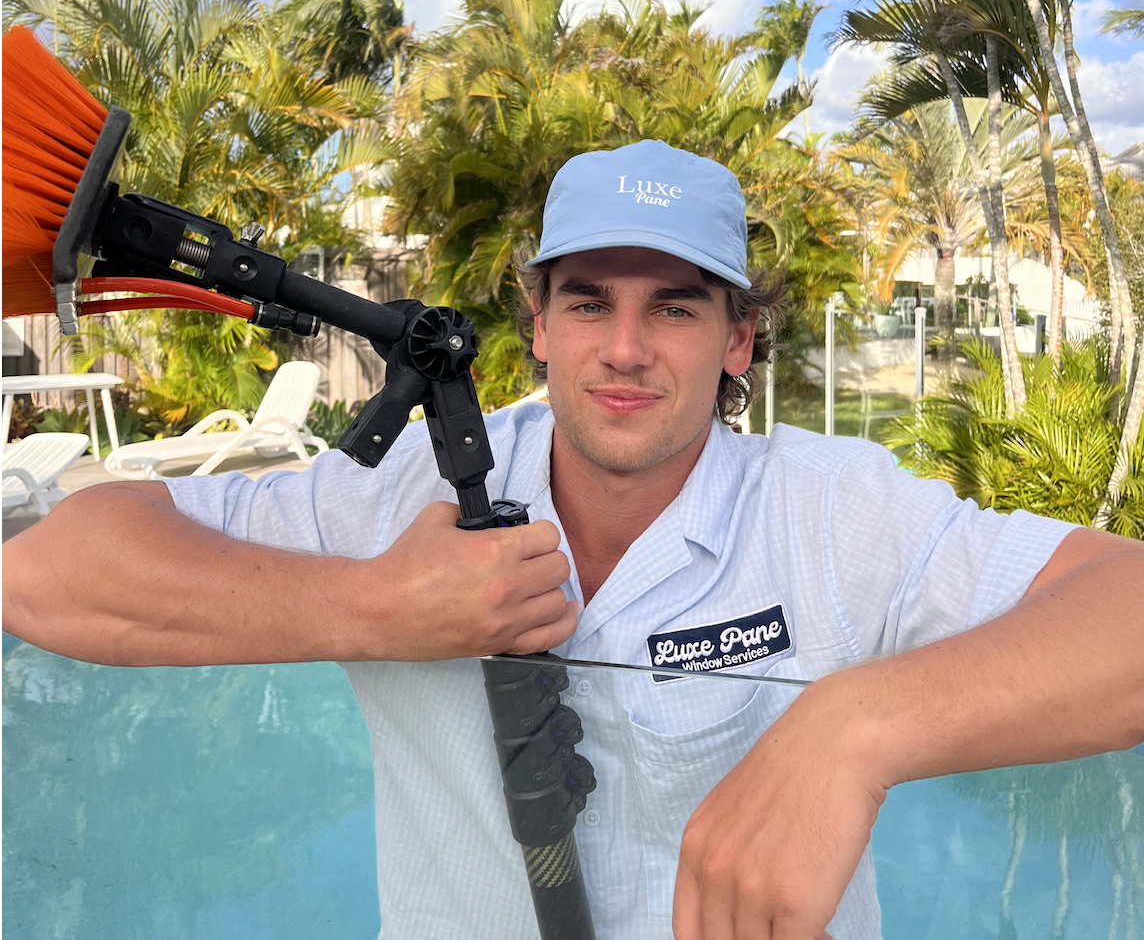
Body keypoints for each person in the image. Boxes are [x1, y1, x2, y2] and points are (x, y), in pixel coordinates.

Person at [4, 139, 1142, 940]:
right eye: (590, 301)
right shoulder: (402, 494)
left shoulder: (832, 508)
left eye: (678, 307)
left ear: (739, 340)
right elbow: (45, 572)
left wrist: (851, 730)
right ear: (538, 326)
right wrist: (375, 610)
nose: (627, 348)